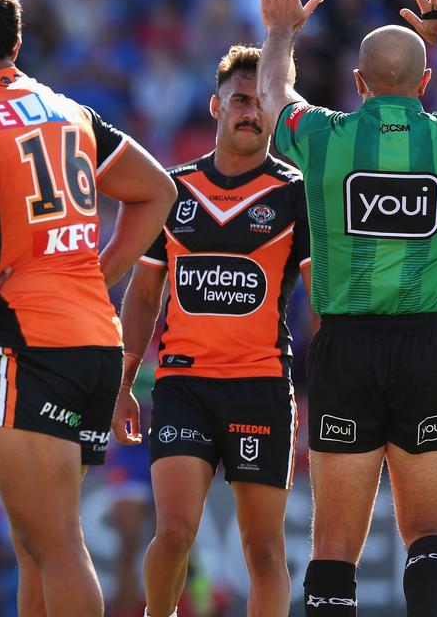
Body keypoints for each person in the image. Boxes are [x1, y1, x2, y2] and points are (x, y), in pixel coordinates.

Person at [0, 0, 176, 616]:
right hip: (93, 341)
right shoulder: (69, 109)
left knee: (56, 543)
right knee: (38, 542)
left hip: (30, 340)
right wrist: (102, 269)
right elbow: (157, 191)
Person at [256, 0, 437, 616]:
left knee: (333, 547)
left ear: (358, 83)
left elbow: (274, 95)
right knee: (434, 539)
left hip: (346, 347)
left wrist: (280, 32)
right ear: (422, 85)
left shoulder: (325, 139)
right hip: (432, 344)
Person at [111, 45, 313, 617]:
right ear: (215, 106)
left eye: (261, 102)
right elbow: (144, 295)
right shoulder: (169, 190)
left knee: (264, 551)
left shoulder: (297, 194)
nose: (250, 112)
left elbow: (321, 302)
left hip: (263, 387)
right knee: (173, 532)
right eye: (239, 100)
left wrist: (334, 380)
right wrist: (124, 383)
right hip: (183, 387)